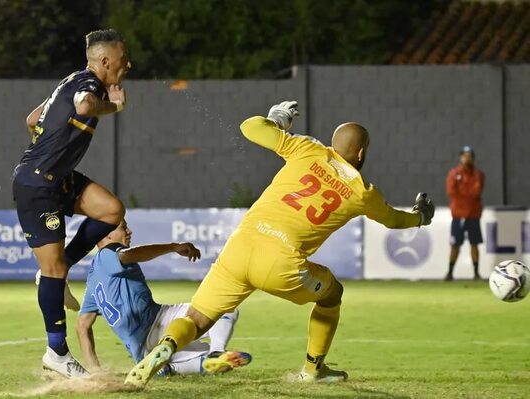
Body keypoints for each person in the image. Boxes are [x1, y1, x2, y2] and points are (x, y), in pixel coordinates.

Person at [125, 101, 435, 387]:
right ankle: (314, 369)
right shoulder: (363, 192)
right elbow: (394, 220)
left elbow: (249, 128)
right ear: (362, 154)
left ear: (332, 143)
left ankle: (166, 346)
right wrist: (420, 218)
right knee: (332, 295)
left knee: (197, 318)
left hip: (240, 246)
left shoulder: (309, 150)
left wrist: (278, 119)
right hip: (281, 263)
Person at [12, 29, 131, 378]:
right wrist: (116, 105)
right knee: (54, 272)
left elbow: (33, 120)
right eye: (124, 58)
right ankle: (57, 352)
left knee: (111, 210)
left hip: (56, 177)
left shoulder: (71, 79)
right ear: (106, 61)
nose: (129, 64)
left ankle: (56, 270)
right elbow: (84, 105)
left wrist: (51, 148)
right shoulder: (91, 85)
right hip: (38, 186)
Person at [75, 220, 252, 376]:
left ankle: (165, 366)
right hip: (158, 322)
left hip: (142, 349)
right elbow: (127, 255)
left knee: (211, 362)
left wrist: (95, 371)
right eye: (123, 227)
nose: (129, 231)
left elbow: (82, 326)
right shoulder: (106, 253)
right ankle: (216, 351)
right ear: (105, 236)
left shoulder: (92, 280)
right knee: (223, 308)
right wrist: (174, 246)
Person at [444, 145, 485, 281]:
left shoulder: (478, 174)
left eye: (470, 156)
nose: (467, 158)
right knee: (455, 244)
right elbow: (451, 192)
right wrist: (467, 193)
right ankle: (450, 273)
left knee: (475, 244)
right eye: (465, 155)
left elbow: (477, 192)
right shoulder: (453, 173)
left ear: (473, 158)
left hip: (473, 214)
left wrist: (462, 192)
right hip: (458, 214)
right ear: (461, 157)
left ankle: (476, 273)